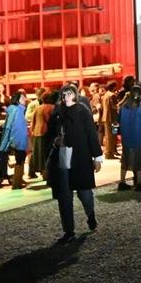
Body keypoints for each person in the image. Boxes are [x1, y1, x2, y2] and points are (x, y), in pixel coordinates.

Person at [46, 83, 102, 242]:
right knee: (64, 195)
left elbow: (91, 134)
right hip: (63, 156)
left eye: (69, 93)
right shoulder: (57, 113)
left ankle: (91, 216)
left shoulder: (83, 111)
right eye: (64, 94)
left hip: (81, 156)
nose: (66, 97)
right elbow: (49, 134)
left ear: (75, 95)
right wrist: (55, 141)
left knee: (85, 192)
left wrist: (97, 157)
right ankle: (68, 230)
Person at [118, 85, 141, 191]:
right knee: (140, 161)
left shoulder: (123, 106)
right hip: (140, 137)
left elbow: (119, 121)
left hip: (127, 138)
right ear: (140, 94)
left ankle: (122, 182)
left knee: (125, 160)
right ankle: (139, 183)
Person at [0, 88, 30, 187]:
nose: (24, 99)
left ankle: (18, 180)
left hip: (20, 139)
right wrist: (15, 141)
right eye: (22, 97)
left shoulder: (19, 110)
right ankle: (17, 182)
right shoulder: (16, 110)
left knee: (20, 158)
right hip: (18, 140)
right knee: (20, 159)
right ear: (17, 99)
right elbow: (12, 126)